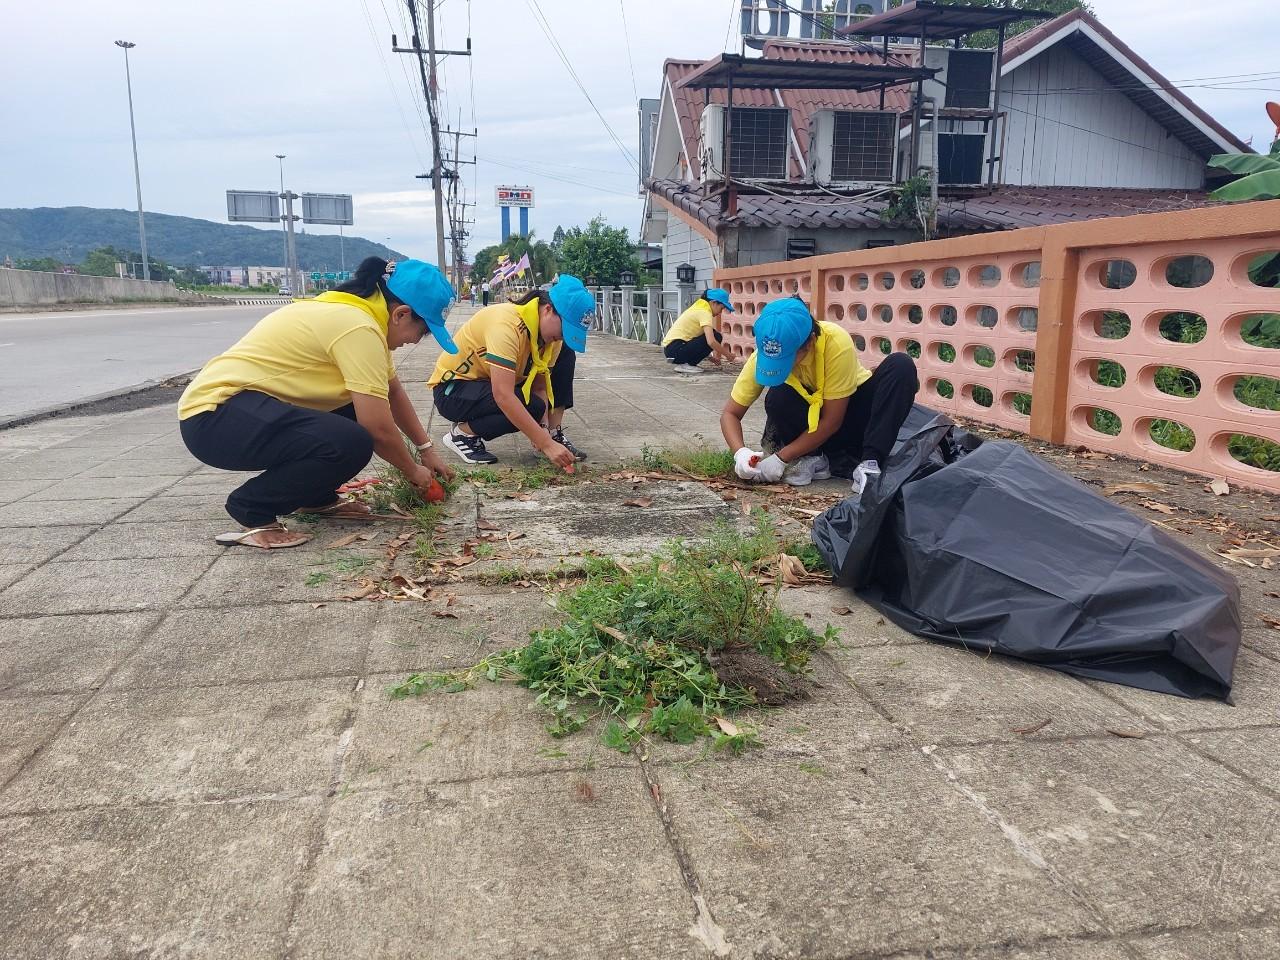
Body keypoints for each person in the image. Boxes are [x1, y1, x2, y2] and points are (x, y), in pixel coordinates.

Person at [178, 257, 459, 549]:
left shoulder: (362, 317)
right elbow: (377, 428)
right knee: (354, 440)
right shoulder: (357, 327)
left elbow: (392, 393)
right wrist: (413, 471)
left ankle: (314, 498)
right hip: (216, 419)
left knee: (354, 412)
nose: (415, 342)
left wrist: (426, 450)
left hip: (242, 411)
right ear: (401, 314)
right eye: (422, 332)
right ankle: (253, 510)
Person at [720, 296, 918, 492]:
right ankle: (814, 457)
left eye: (787, 359)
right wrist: (740, 453)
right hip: (812, 429)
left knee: (901, 365)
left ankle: (869, 465)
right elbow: (730, 414)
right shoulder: (764, 356)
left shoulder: (836, 342)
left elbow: (833, 420)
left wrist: (782, 457)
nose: (782, 367)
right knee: (777, 397)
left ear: (810, 342)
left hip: (853, 420)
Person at [431, 274, 595, 467]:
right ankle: (462, 434)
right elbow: (503, 395)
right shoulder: (506, 324)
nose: (561, 338)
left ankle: (553, 433)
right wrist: (547, 445)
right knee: (520, 404)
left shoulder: (550, 337)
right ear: (549, 310)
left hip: (486, 386)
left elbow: (539, 388)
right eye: (564, 330)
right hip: (453, 390)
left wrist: (542, 429)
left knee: (537, 402)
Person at [662, 288, 736, 374]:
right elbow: (711, 342)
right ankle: (687, 364)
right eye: (721, 308)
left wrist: (710, 357)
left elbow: (696, 337)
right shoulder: (704, 312)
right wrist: (728, 355)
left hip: (672, 350)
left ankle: (686, 364)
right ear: (714, 303)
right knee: (716, 336)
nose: (720, 312)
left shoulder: (698, 307)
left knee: (713, 333)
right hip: (676, 350)